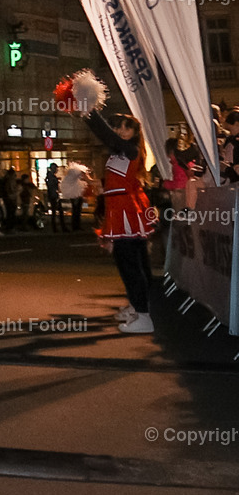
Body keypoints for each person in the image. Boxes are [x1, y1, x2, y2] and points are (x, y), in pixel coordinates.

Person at [83, 110, 157, 333]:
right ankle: (137, 307)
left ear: (135, 132)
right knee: (130, 264)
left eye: (127, 127)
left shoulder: (131, 149)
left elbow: (106, 135)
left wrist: (88, 111)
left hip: (127, 213)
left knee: (131, 266)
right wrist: (90, 182)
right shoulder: (117, 153)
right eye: (118, 126)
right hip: (119, 211)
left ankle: (144, 316)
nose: (121, 130)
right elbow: (112, 184)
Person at [45, 163, 68, 232]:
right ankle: (59, 228)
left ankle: (57, 228)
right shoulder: (51, 177)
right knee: (57, 212)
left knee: (55, 212)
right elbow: (52, 187)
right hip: (54, 196)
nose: (56, 170)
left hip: (53, 195)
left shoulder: (50, 176)